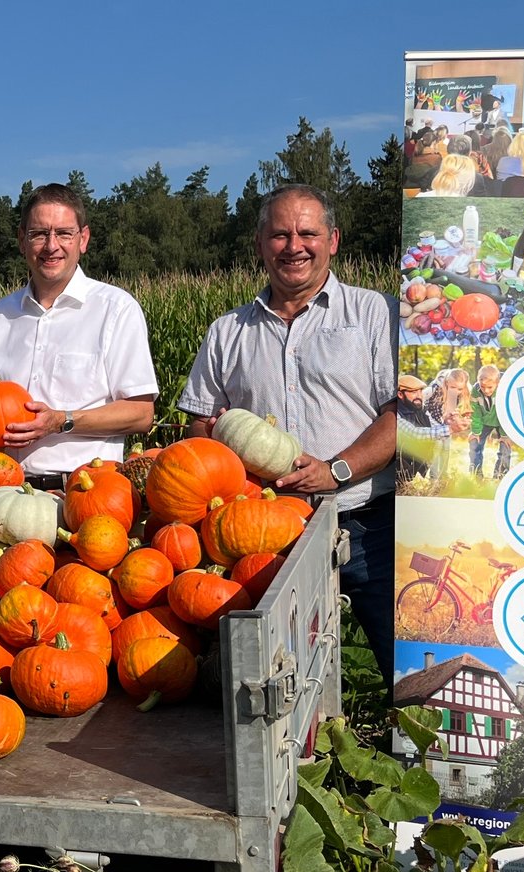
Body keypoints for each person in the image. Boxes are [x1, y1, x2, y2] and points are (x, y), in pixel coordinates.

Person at [177, 185, 399, 681]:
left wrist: (335, 470)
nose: (293, 245)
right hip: (264, 535)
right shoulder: (227, 331)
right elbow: (198, 425)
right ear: (260, 244)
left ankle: (413, 753)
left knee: (399, 667)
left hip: (367, 523)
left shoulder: (374, 314)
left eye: (307, 232)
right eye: (279, 234)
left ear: (333, 239)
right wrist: (216, 437)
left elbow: (401, 413)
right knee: (280, 682)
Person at [0, 183, 156, 484]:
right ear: (21, 241)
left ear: (83, 239)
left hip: (87, 490)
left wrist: (61, 421)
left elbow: (141, 414)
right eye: (39, 234)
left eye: (64, 233)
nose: (51, 246)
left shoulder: (115, 309)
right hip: (5, 493)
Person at [471, 364, 511, 480]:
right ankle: (476, 476)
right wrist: (476, 432)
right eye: (483, 387)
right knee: (475, 445)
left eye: (490, 387)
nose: (486, 390)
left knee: (505, 448)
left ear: (497, 383)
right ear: (478, 381)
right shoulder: (476, 390)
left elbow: (505, 412)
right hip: (484, 420)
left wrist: (504, 435)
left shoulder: (503, 390)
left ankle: (499, 476)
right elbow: (476, 411)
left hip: (502, 421)